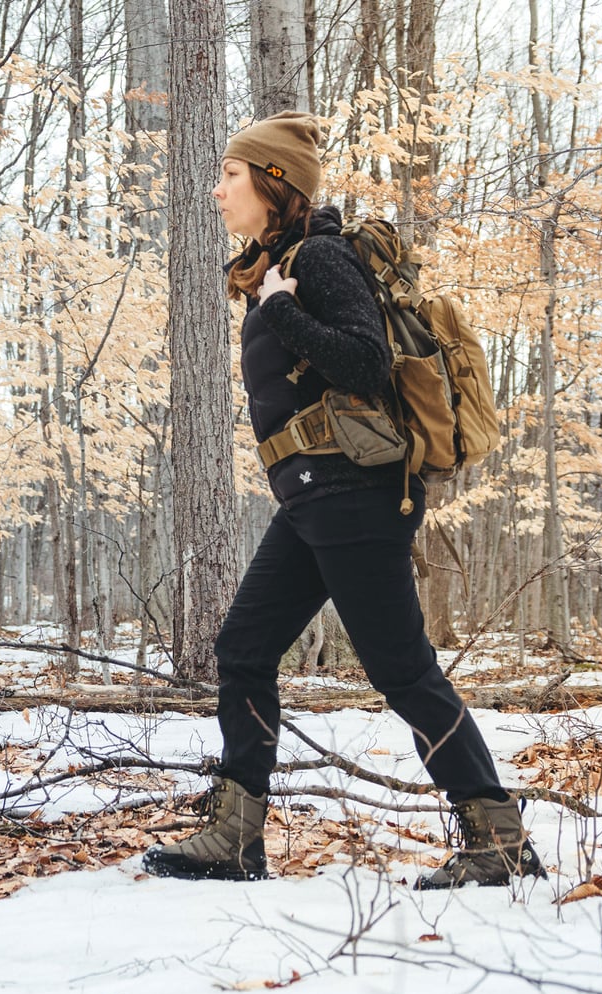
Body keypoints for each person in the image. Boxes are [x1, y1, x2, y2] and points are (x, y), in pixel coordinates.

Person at [142, 112, 545, 890]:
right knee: (244, 648)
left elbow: (366, 361)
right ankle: (236, 837)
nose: (218, 189)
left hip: (355, 497)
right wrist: (272, 299)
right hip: (313, 500)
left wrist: (282, 309)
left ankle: (496, 834)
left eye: (231, 174)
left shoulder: (320, 257)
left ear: (274, 183)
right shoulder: (276, 266)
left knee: (401, 669)